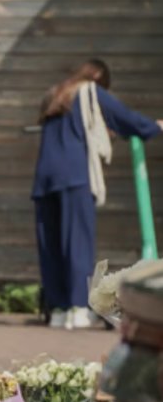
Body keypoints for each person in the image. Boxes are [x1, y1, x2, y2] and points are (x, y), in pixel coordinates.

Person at [34, 59, 163, 330]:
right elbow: (125, 118)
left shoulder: (55, 94)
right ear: (98, 78)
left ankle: (58, 309)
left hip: (45, 175)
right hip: (75, 174)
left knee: (53, 244)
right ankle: (79, 308)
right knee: (78, 242)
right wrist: (155, 127)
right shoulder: (89, 91)